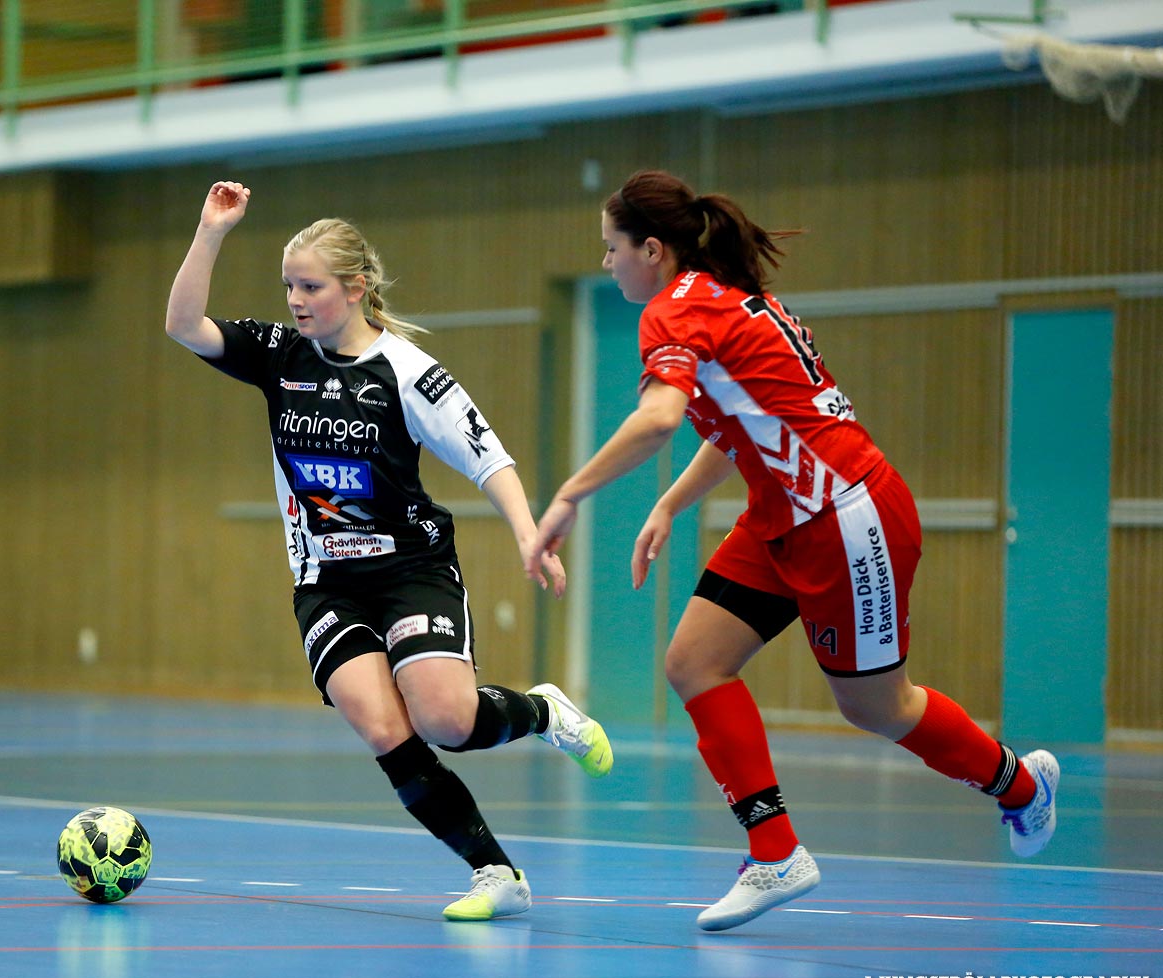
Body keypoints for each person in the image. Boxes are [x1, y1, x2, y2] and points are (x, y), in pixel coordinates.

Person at [523, 169, 1060, 932]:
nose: (606, 263)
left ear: (652, 249)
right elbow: (733, 426)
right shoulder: (717, 297)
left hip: (847, 515)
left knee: (876, 707)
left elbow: (659, 420)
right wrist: (670, 504)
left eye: (611, 248)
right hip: (783, 513)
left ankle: (1019, 787)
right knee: (693, 662)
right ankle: (774, 852)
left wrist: (570, 494)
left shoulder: (676, 310)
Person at [165, 180, 614, 921]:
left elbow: (489, 457)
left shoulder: (406, 372)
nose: (297, 301)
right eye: (289, 286)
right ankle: (494, 872)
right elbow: (184, 324)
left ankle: (542, 714)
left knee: (447, 721)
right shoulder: (281, 356)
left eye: (311, 286)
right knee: (381, 726)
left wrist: (530, 534)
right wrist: (212, 231)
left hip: (413, 570)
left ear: (356, 287)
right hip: (326, 580)